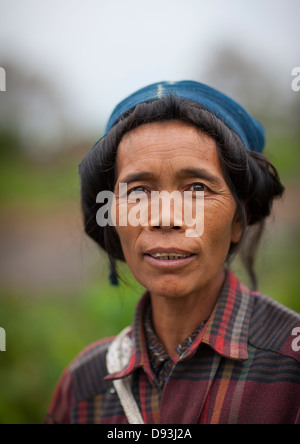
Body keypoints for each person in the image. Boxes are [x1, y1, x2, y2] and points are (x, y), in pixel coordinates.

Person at [45, 81, 300, 424]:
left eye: (197, 188)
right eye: (138, 191)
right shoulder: (83, 385)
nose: (166, 217)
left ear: (241, 218)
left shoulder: (291, 369)